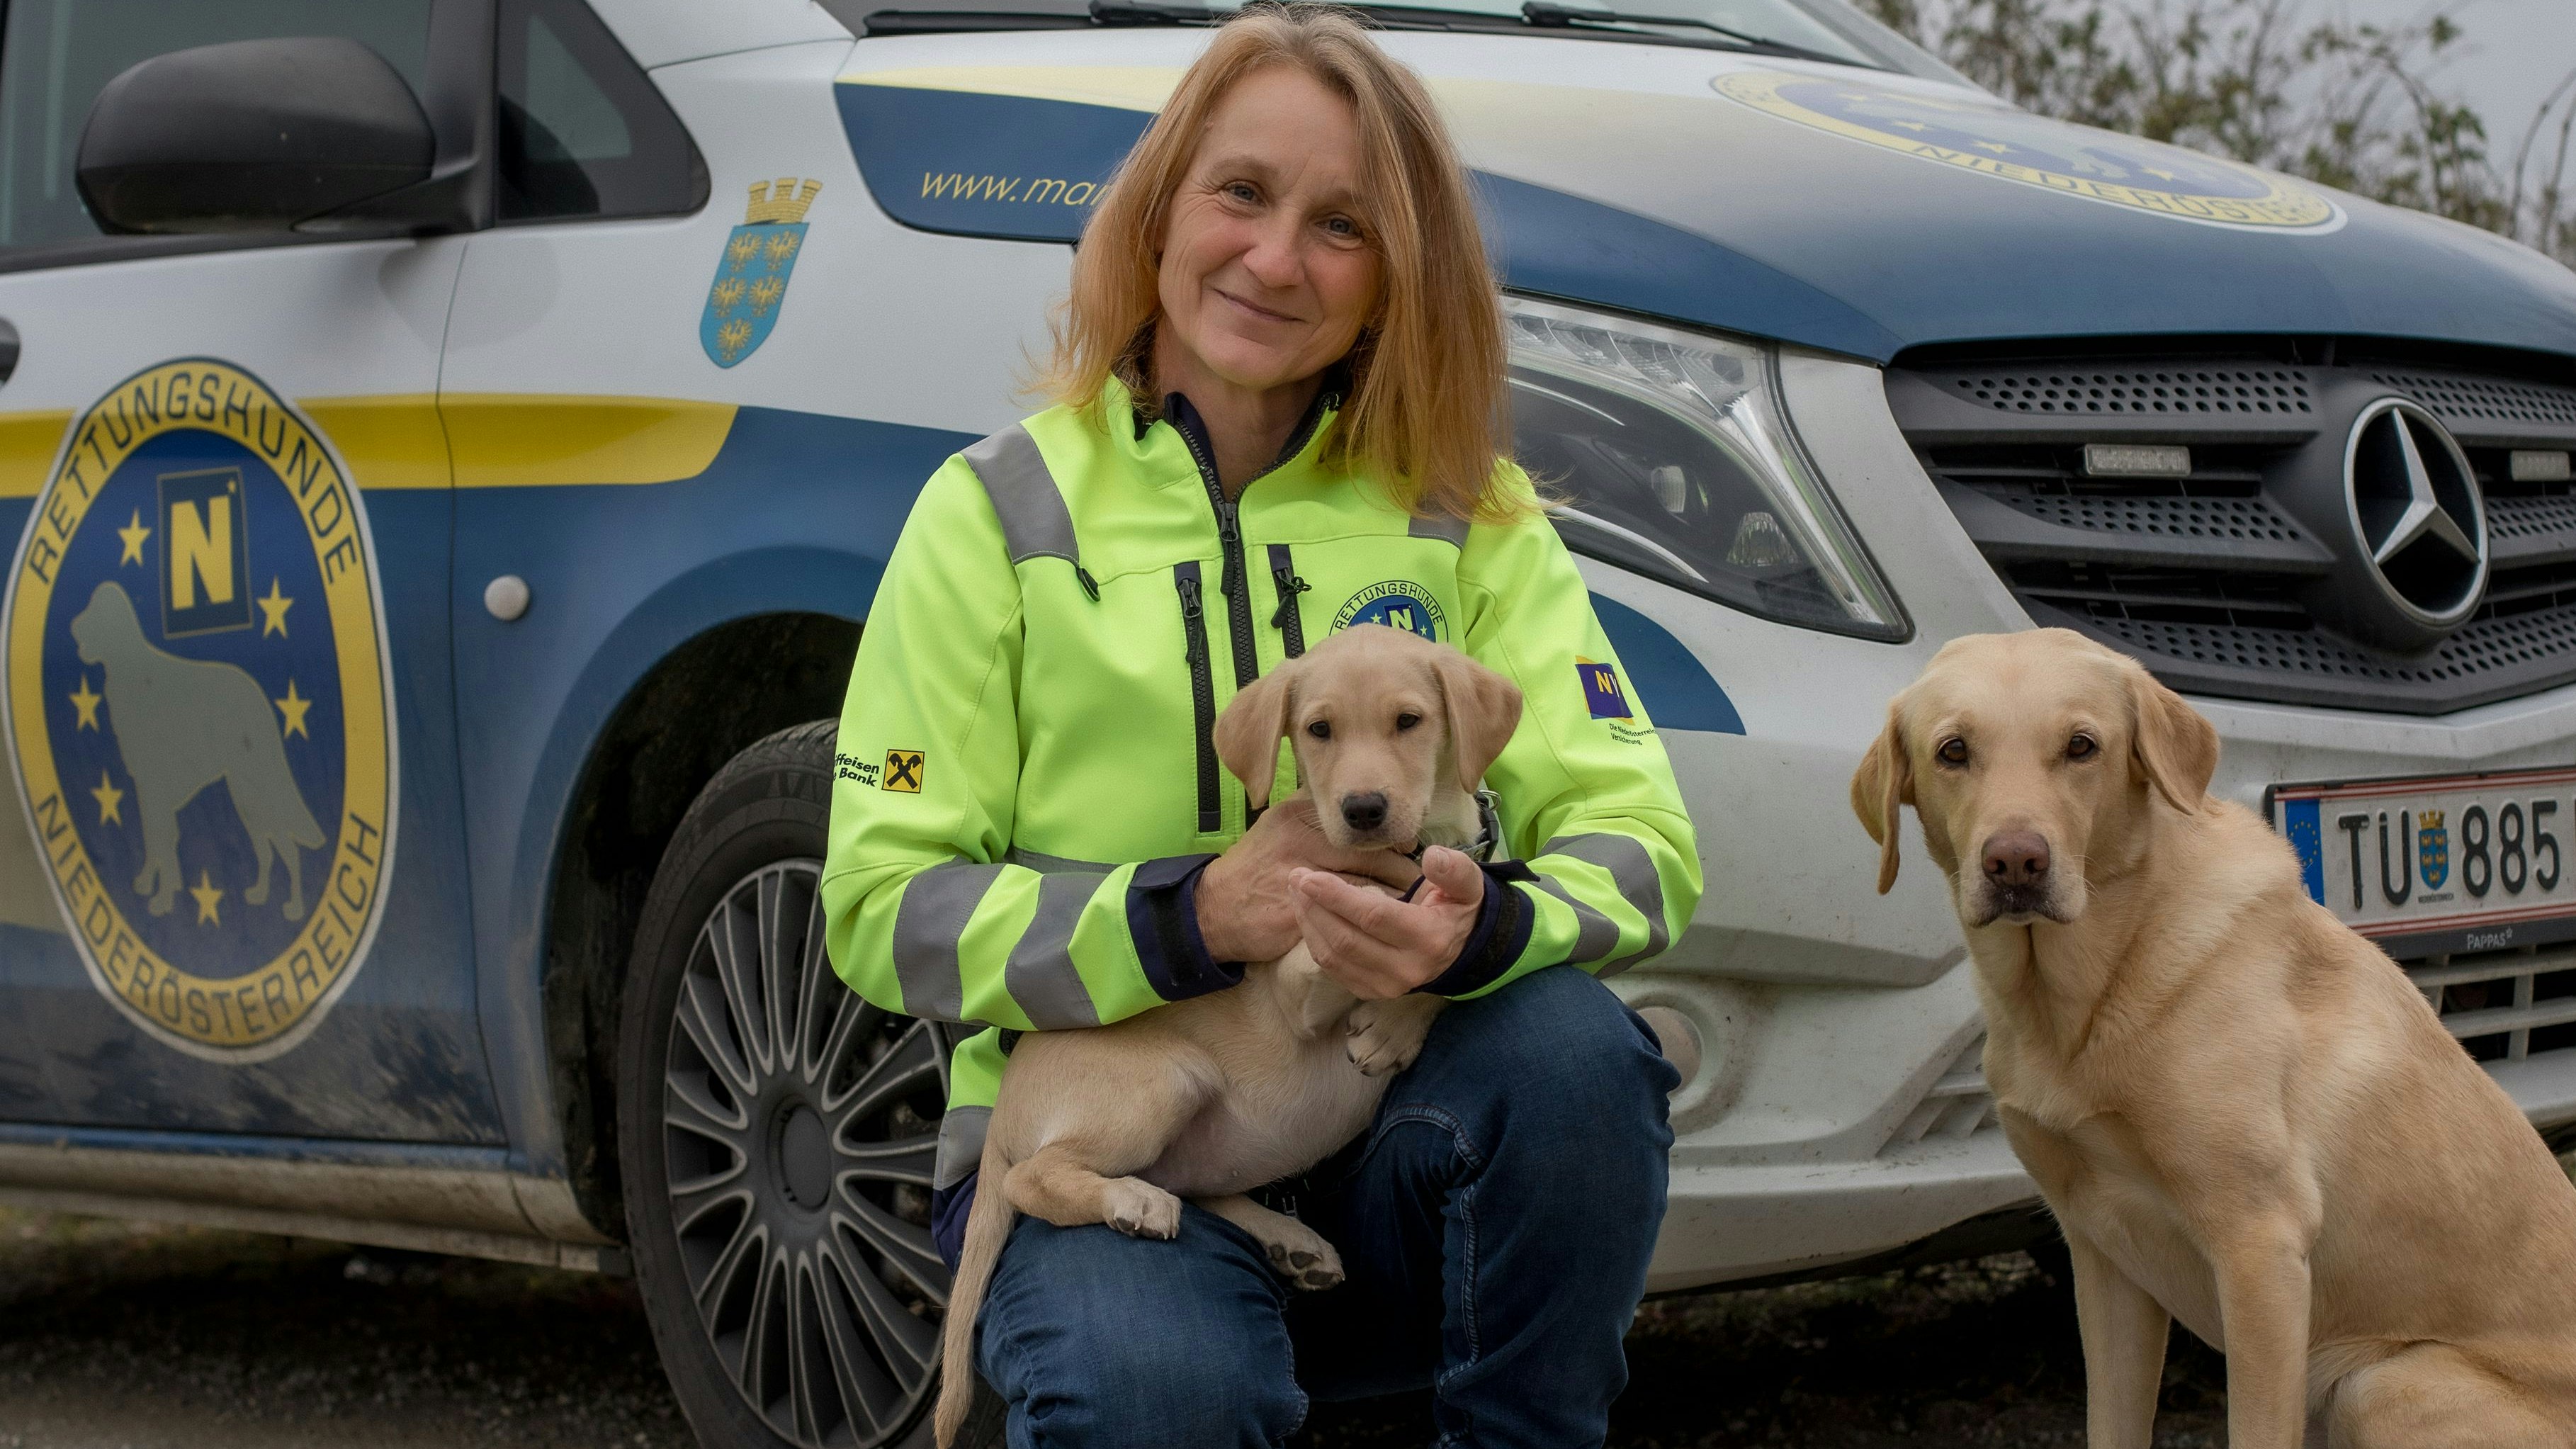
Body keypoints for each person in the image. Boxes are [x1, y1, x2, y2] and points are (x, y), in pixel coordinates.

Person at [821, 7, 1701, 1443]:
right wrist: (1178, 920)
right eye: (1241, 193)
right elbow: (880, 908)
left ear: (1394, 281)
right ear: (1160, 207)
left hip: (1381, 1124)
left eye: (1342, 225)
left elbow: (1647, 848)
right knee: (1158, 1397)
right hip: (1117, 1143)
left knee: (1580, 1060)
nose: (1278, 259)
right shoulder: (994, 514)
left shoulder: (1462, 516)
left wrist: (1481, 929)